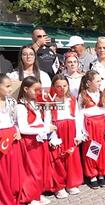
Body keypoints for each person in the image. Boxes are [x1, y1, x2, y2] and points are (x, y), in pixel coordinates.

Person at [16, 76, 57, 204]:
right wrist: (43, 129)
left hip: (40, 139)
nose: (39, 92)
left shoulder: (35, 103)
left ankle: (37, 193)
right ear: (26, 89)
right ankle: (30, 196)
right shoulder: (21, 106)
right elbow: (23, 128)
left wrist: (47, 128)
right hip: (30, 142)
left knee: (41, 168)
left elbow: (39, 120)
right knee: (31, 170)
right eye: (36, 90)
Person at [44, 74, 84, 198]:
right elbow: (47, 119)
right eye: (58, 86)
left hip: (71, 130)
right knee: (57, 158)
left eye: (65, 86)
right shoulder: (49, 101)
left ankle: (71, 183)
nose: (62, 88)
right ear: (53, 87)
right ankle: (59, 186)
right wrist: (52, 136)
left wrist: (78, 134)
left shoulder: (72, 99)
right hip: (57, 131)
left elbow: (77, 117)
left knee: (71, 157)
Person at [78, 70, 105, 189]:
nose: (100, 82)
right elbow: (79, 113)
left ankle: (101, 174)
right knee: (91, 149)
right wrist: (82, 130)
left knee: (101, 150)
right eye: (97, 81)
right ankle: (92, 175)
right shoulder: (82, 95)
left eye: (100, 80)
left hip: (101, 124)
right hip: (89, 125)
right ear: (88, 83)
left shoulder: (102, 93)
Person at [0, 73, 24, 205]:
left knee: (12, 171)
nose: (10, 89)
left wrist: (17, 131)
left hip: (12, 139)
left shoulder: (11, 101)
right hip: (0, 140)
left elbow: (15, 120)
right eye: (7, 86)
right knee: (2, 172)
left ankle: (14, 197)